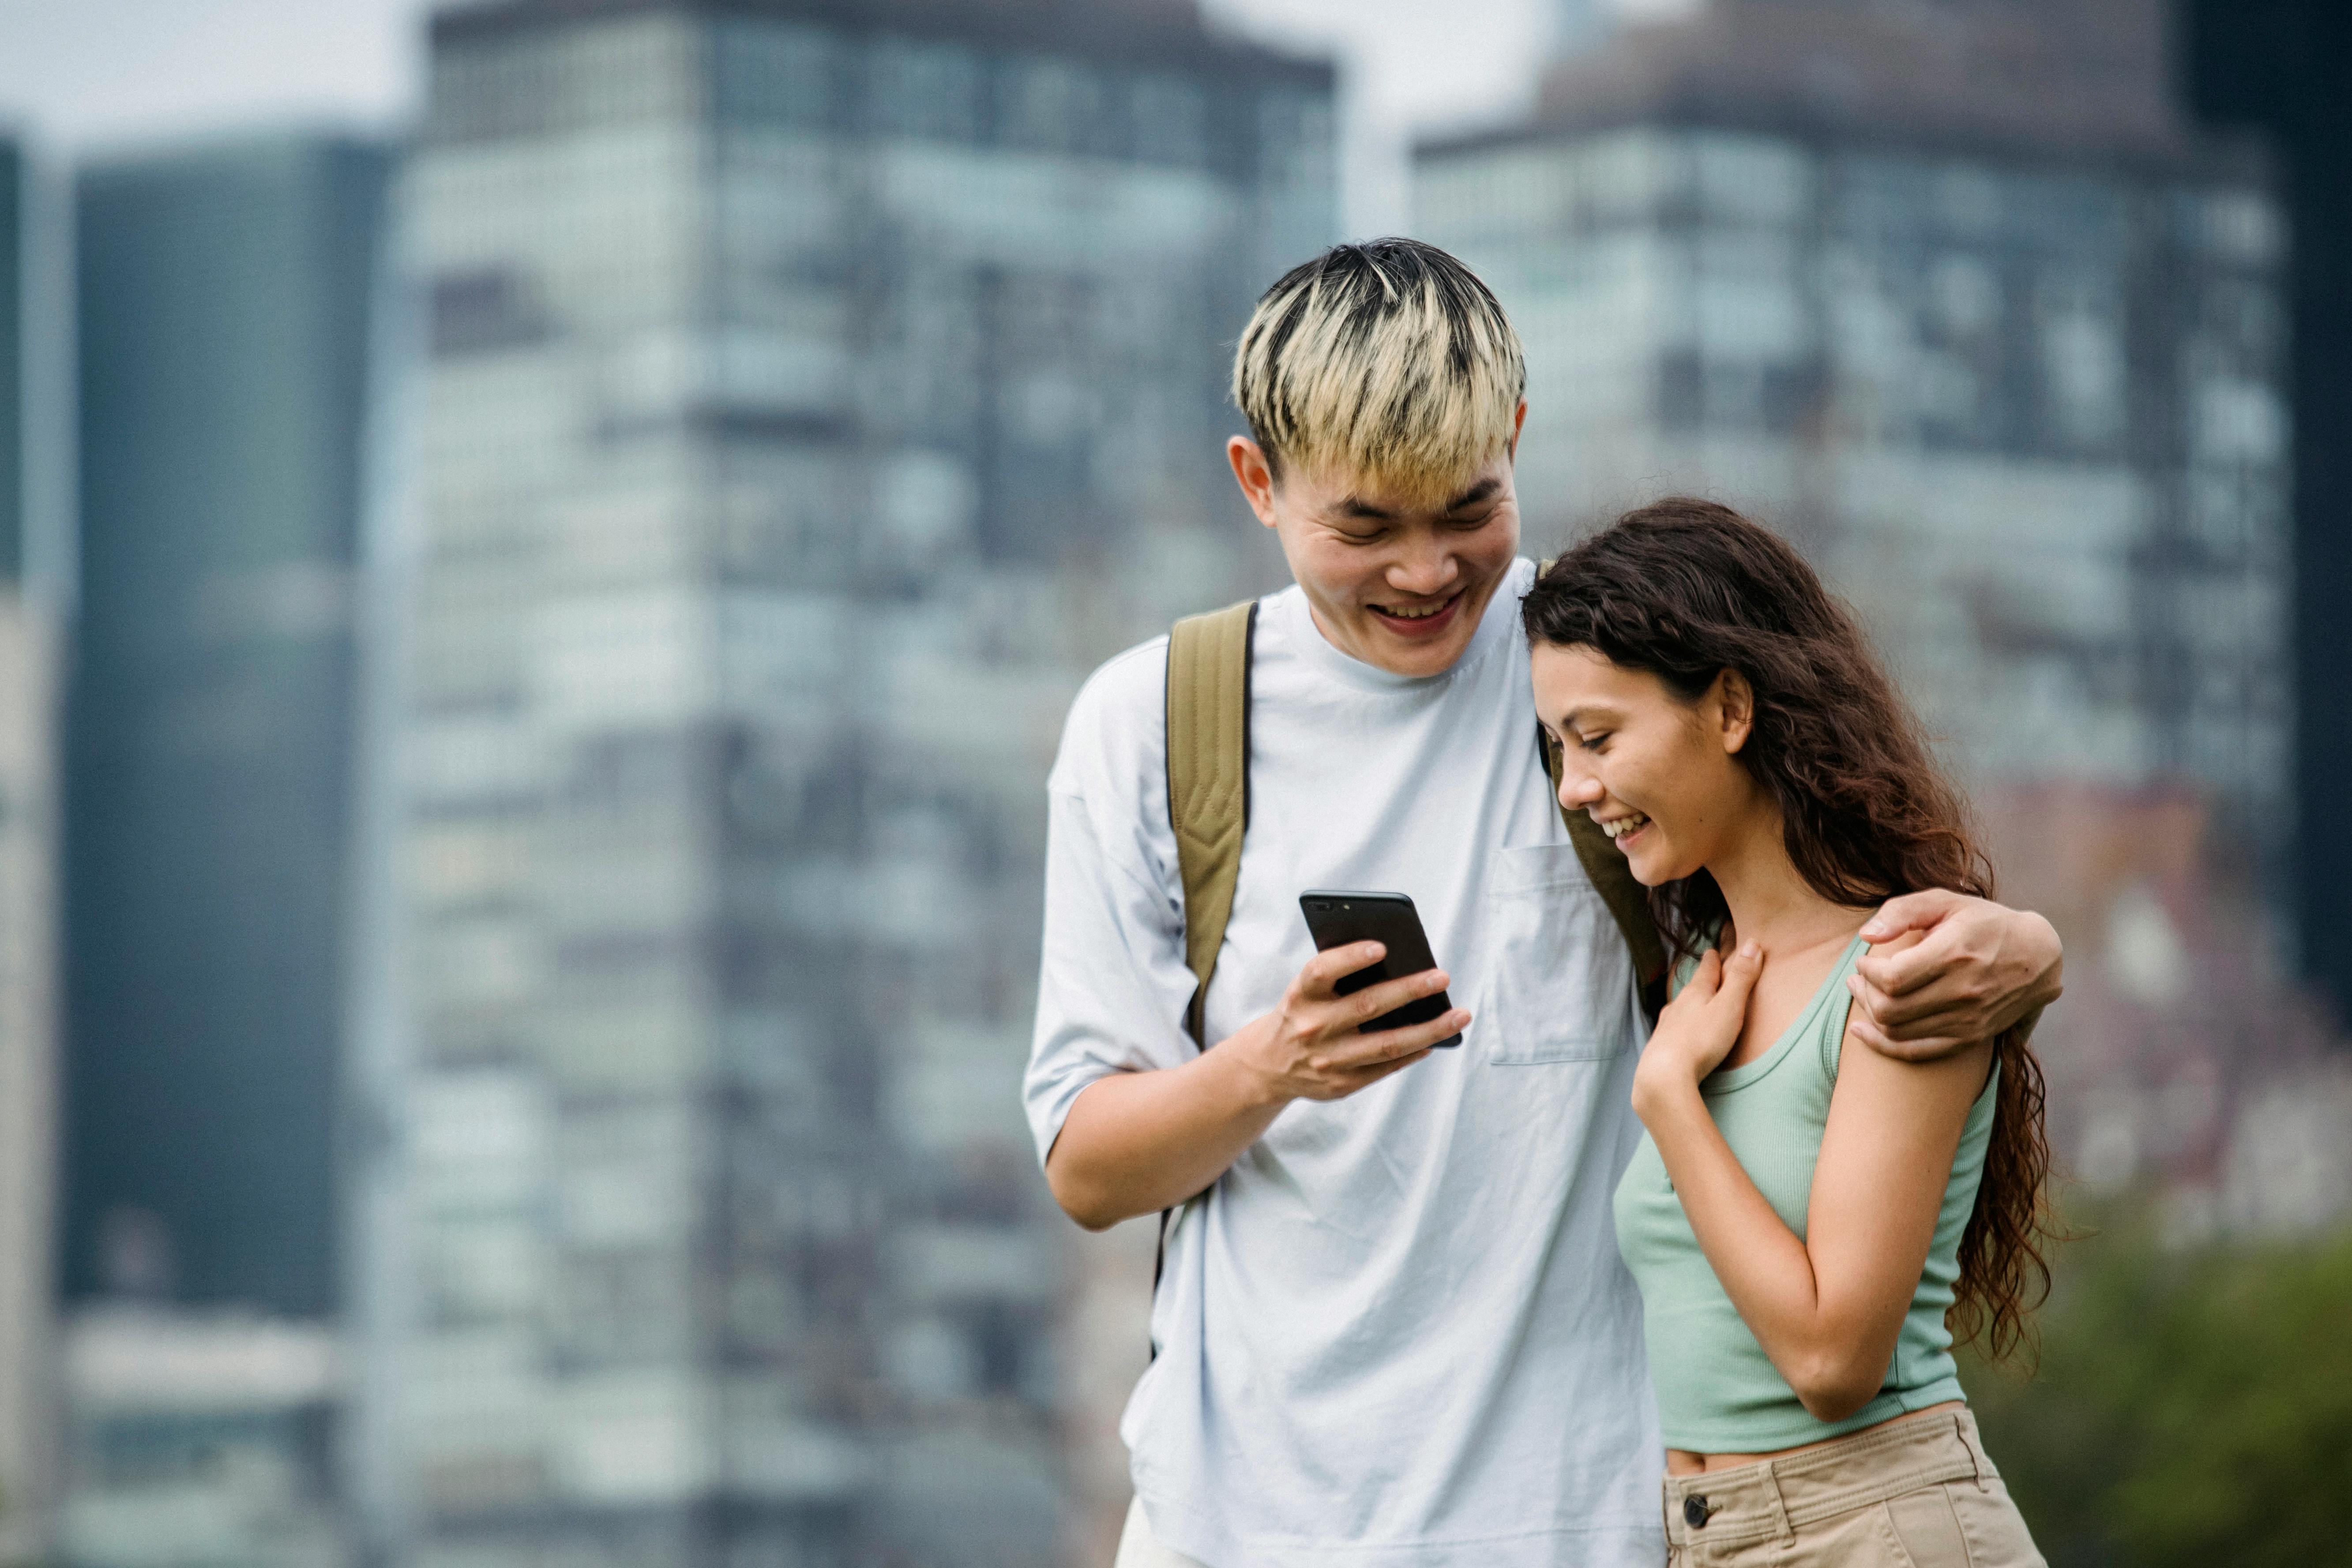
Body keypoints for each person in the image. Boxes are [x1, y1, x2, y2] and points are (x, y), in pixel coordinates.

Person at [1022, 239, 2064, 1568]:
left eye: (1467, 509)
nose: (1423, 573)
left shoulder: (1596, 684)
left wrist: (2024, 948)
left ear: (1516, 438)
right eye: (1364, 527)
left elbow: (1824, 881)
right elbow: (1086, 1166)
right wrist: (1268, 1068)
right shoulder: (1154, 725)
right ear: (1256, 484)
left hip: (1583, 1518)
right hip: (1243, 1523)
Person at [1523, 500, 2054, 1568]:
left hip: (1875, 1527)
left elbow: (1830, 1356)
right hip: (1710, 1538)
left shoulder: (1905, 972)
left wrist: (1671, 1102)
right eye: (1555, 748)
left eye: (1598, 738)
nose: (1575, 787)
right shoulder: (1696, 971)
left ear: (1728, 708)